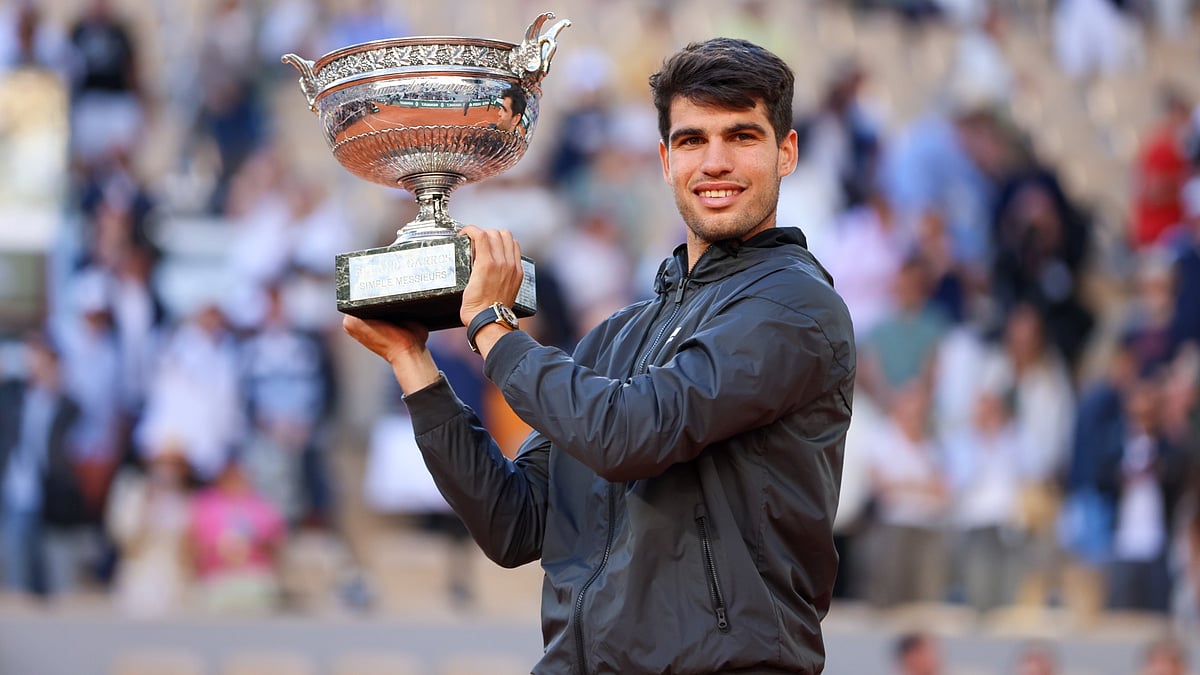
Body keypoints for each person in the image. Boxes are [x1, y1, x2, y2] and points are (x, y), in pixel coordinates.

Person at [344, 37, 856, 674]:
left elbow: (630, 434)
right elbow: (514, 523)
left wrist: (491, 327)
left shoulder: (795, 306)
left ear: (787, 152)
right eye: (692, 140)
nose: (715, 162)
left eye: (742, 137)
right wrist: (413, 364)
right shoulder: (618, 336)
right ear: (666, 160)